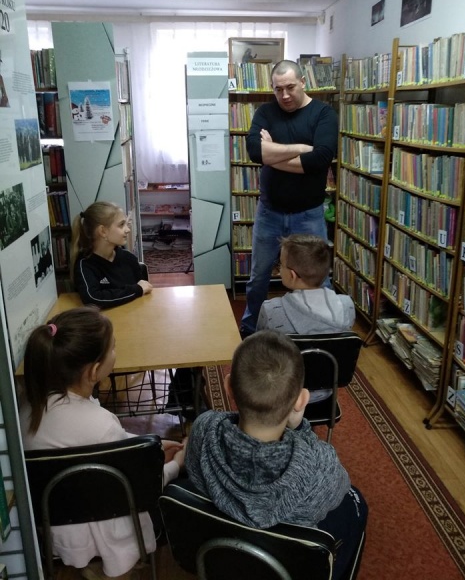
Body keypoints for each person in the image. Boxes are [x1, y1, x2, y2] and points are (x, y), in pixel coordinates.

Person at [19, 307, 186, 580]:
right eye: (113, 348)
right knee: (176, 496)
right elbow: (144, 487)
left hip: (53, 525)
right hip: (102, 524)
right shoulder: (102, 423)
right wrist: (176, 465)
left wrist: (151, 447)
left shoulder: (28, 409)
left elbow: (95, 443)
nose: (116, 351)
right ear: (94, 371)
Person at [185, 331, 368, 580]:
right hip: (286, 559)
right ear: (301, 400)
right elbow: (341, 486)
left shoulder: (203, 428)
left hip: (220, 546)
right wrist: (299, 428)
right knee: (357, 501)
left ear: (228, 387)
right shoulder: (321, 465)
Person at [240, 59, 338, 337]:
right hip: (269, 213)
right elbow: (255, 152)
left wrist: (273, 152)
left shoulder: (323, 113)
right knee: (258, 278)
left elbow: (321, 158)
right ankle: (250, 332)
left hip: (309, 214)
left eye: (290, 87)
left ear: (303, 82)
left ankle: (325, 334)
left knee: (318, 278)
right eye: (278, 89)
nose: (284, 95)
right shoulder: (265, 112)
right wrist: (301, 149)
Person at [256, 234, 355, 334]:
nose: (279, 269)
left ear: (292, 275)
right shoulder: (347, 305)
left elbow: (262, 342)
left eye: (281, 264)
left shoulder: (270, 309)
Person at [71, 201, 153, 308]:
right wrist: (136, 290)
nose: (128, 230)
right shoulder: (85, 264)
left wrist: (137, 290)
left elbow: (143, 291)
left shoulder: (129, 258)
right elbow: (93, 299)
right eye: (121, 225)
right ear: (103, 231)